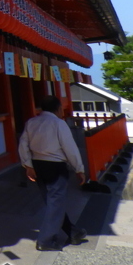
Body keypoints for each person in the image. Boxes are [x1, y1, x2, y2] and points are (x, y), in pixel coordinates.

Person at [18, 95, 87, 251]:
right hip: (55, 166)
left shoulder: (31, 122)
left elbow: (23, 145)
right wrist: (79, 168)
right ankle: (45, 240)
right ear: (58, 108)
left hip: (38, 165)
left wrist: (28, 165)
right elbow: (70, 148)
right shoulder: (59, 124)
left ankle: (73, 232)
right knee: (55, 203)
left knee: (53, 203)